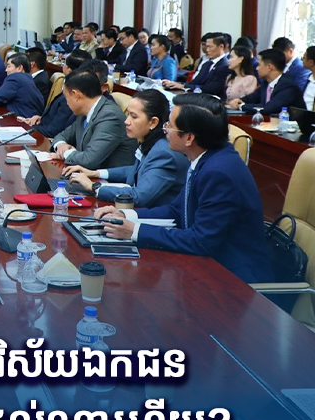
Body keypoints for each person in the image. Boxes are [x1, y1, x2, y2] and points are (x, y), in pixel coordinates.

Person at [97, 93, 273, 283]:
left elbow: (200, 241)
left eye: (170, 126)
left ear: (189, 137)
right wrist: (125, 215)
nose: (165, 130)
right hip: (205, 268)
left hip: (234, 281)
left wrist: (134, 231)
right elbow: (177, 210)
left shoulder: (219, 173)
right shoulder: (204, 157)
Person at [63, 89, 188, 208]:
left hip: (154, 217)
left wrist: (93, 186)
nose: (126, 121)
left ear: (153, 122)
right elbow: (137, 171)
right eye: (128, 115)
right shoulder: (151, 141)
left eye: (134, 117)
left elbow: (139, 196)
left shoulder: (164, 153)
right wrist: (95, 173)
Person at [49, 68, 137, 169]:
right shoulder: (84, 111)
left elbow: (88, 160)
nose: (67, 103)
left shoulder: (110, 116)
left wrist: (65, 153)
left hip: (107, 177)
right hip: (84, 173)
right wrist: (61, 145)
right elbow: (61, 136)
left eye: (66, 98)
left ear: (76, 95)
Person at [20, 50, 88, 138]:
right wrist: (41, 118)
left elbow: (53, 131)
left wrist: (25, 126)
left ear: (69, 70)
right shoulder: (71, 89)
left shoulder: (72, 96)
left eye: (64, 64)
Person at [228, 48, 306, 115]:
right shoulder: (266, 83)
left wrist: (241, 106)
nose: (257, 68)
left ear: (269, 67)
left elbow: (269, 108)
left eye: (259, 65)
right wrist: (239, 100)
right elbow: (253, 97)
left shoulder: (288, 86)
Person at [165, 33, 230, 98]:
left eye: (210, 47)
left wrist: (184, 86)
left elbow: (212, 89)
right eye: (206, 46)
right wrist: (177, 84)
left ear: (221, 47)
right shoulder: (206, 64)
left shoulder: (225, 66)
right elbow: (195, 82)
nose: (207, 50)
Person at [0, 53, 47, 118]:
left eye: (9, 66)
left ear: (20, 68)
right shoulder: (29, 78)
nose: (6, 70)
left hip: (20, 119)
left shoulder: (15, 78)